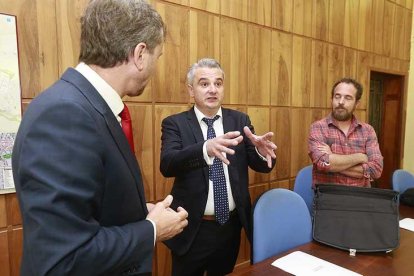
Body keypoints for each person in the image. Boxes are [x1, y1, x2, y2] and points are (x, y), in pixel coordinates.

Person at [12, 0, 188, 275]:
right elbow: (65, 257)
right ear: (140, 54)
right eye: (158, 56)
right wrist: (152, 229)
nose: (155, 67)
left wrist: (138, 211)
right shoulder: (65, 114)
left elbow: (87, 205)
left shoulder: (86, 106)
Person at [160, 58, 277, 275]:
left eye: (218, 83)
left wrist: (261, 152)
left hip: (230, 227)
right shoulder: (175, 123)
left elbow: (260, 165)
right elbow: (168, 164)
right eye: (204, 84)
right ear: (191, 90)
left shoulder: (239, 120)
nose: (212, 89)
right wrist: (205, 148)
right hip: (192, 227)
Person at [308, 78, 383, 188]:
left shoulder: (367, 131)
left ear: (356, 103)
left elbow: (376, 170)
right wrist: (361, 157)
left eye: (348, 98)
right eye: (337, 96)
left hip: (360, 198)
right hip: (329, 199)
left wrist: (333, 159)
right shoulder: (318, 127)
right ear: (332, 99)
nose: (341, 102)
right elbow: (323, 164)